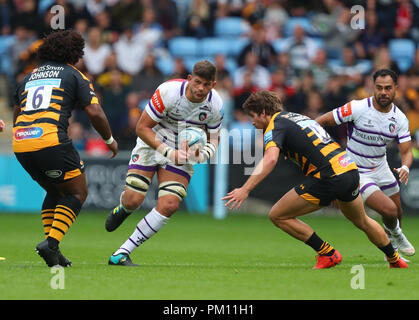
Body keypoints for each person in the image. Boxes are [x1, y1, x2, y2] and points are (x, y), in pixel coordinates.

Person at [222, 90, 407, 269]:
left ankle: (327, 253)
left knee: (277, 215)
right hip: (348, 169)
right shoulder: (296, 117)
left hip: (330, 176)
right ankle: (395, 259)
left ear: (263, 112)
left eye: (252, 116)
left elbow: (270, 159)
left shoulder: (274, 125)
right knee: (363, 221)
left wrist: (245, 189)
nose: (252, 121)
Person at [12, 30, 118, 267]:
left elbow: (17, 111)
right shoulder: (73, 74)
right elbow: (94, 111)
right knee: (76, 193)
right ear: (75, 54)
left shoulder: (28, 77)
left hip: (21, 141)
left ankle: (53, 250)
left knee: (55, 191)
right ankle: (51, 244)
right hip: (50, 140)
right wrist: (109, 139)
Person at [105, 60, 223, 266]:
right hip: (153, 142)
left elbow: (214, 139)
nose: (200, 88)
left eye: (206, 84)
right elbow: (142, 127)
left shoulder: (216, 105)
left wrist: (202, 154)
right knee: (134, 199)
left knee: (169, 204)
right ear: (189, 79)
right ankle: (124, 209)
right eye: (197, 82)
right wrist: (168, 151)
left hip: (183, 151)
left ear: (213, 84)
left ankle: (122, 252)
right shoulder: (168, 91)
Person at [316, 68, 415, 257]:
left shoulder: (400, 118)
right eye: (379, 88)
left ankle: (393, 247)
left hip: (381, 166)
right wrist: (306, 142)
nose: (383, 92)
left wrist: (405, 166)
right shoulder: (358, 107)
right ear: (373, 87)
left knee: (397, 212)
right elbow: (322, 120)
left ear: (396, 88)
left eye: (387, 88)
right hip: (356, 170)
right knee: (389, 210)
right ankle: (395, 236)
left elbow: (407, 151)